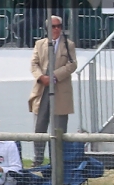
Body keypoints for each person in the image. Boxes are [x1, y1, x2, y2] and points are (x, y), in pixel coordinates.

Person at [29, 15, 77, 167]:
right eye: (53, 26)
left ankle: (57, 161)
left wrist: (55, 76)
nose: (56, 29)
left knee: (59, 127)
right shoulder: (39, 44)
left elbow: (72, 65)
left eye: (59, 26)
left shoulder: (68, 45)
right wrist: (41, 77)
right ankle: (38, 159)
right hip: (42, 90)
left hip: (60, 91)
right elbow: (34, 64)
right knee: (39, 126)